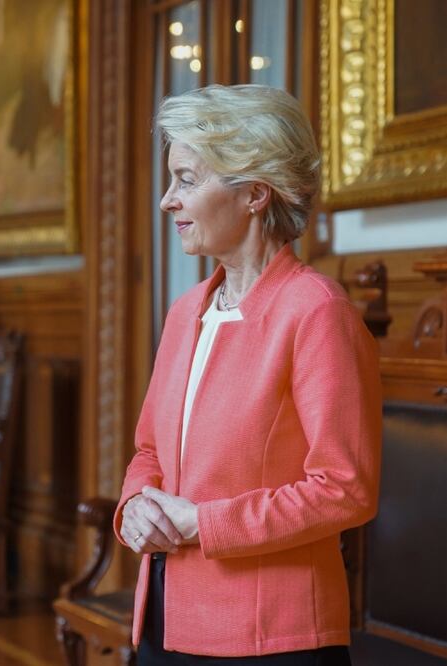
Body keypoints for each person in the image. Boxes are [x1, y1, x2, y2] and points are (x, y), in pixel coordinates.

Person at [115, 84, 380, 664]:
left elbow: (346, 490)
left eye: (187, 179)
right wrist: (136, 505)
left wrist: (203, 523)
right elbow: (149, 451)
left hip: (270, 638)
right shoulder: (186, 312)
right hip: (162, 617)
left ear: (255, 192)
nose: (168, 201)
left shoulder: (317, 311)